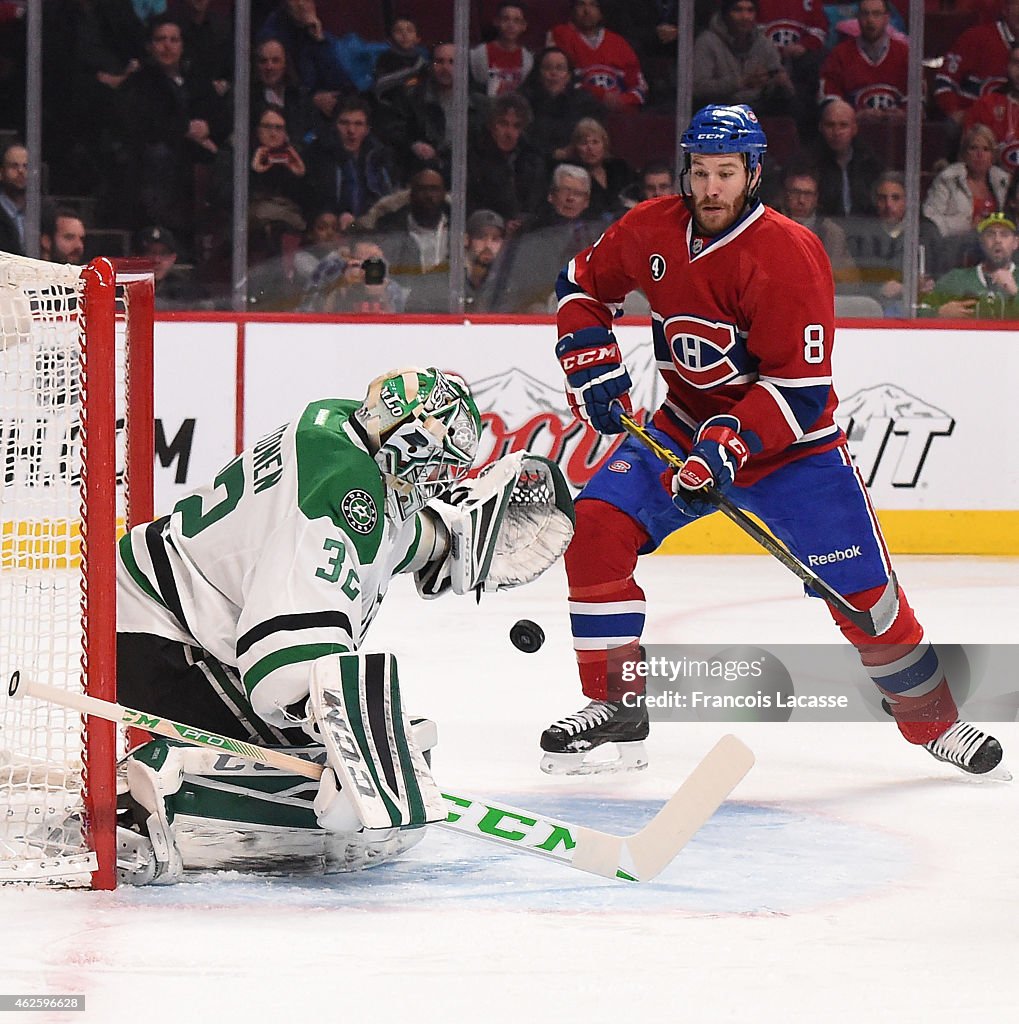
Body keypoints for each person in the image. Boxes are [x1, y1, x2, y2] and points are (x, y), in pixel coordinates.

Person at [540, 103, 1005, 780]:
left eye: (725, 172)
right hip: (680, 426)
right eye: (699, 171)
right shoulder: (649, 228)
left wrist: (726, 444)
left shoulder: (788, 254)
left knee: (864, 597)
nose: (709, 187)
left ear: (752, 174)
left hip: (794, 452)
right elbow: (580, 286)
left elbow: (799, 387)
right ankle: (615, 704)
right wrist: (591, 362)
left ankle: (935, 723)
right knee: (595, 528)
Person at [113, 368, 572, 882]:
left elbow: (383, 529)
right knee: (315, 795)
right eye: (435, 465)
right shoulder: (340, 493)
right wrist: (336, 731)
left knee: (364, 764)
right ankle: (137, 803)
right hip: (166, 633)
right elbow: (284, 660)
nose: (437, 480)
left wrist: (447, 539)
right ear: (409, 443)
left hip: (160, 607)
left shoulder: (339, 429)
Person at [844, 171, 940, 316]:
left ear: (908, 200)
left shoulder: (927, 232)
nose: (889, 205)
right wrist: (877, 289)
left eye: (896, 198)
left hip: (919, 311)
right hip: (872, 310)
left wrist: (932, 284)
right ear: (875, 201)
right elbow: (851, 282)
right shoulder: (860, 234)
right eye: (883, 198)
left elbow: (942, 273)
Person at [305, 96, 399, 232]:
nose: (351, 131)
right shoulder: (318, 154)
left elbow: (391, 196)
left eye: (358, 124)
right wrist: (338, 214)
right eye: (344, 123)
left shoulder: (380, 155)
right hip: (336, 231)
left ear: (367, 129)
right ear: (334, 125)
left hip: (376, 228)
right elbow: (313, 201)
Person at [922, 122, 1010, 268]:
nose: (979, 154)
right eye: (973, 148)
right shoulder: (948, 179)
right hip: (955, 251)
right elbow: (930, 220)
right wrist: (968, 224)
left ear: (993, 156)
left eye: (986, 149)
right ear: (964, 154)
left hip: (996, 253)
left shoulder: (1003, 182)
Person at [692, 0, 794, 117]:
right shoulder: (707, 41)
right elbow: (698, 87)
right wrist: (741, 83)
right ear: (725, 14)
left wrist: (780, 82)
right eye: (738, 10)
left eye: (750, 11)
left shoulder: (763, 43)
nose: (745, 17)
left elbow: (777, 74)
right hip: (718, 109)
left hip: (757, 108)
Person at [466, 93, 548, 233]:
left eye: (516, 126)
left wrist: (526, 221)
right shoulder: (473, 158)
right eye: (503, 124)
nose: (509, 133)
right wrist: (502, 222)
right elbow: (471, 203)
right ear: (491, 125)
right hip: (485, 231)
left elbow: (539, 203)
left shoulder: (533, 159)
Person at [546, 0, 648, 110]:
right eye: (581, 4)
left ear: (601, 12)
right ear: (573, 10)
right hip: (576, 111)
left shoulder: (619, 43)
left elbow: (639, 87)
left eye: (593, 5)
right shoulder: (560, 35)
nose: (587, 11)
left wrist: (623, 100)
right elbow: (557, 81)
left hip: (618, 114)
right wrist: (600, 95)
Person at [934, 0, 1019, 128]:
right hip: (976, 126)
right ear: (1005, 9)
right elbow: (945, 82)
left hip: (1013, 128)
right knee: (952, 128)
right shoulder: (975, 38)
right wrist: (954, 111)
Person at [819, 0, 909, 119]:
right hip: (854, 133)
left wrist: (904, 114)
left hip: (898, 132)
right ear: (858, 17)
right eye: (865, 14)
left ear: (887, 18)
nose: (870, 20)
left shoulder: (905, 53)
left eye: (876, 14)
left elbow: (918, 102)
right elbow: (830, 99)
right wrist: (854, 116)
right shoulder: (839, 54)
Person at [924, 211, 1019, 318]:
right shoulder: (956, 279)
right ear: (981, 241)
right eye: (990, 234)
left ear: (1015, 243)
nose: (997, 240)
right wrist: (939, 313)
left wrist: (1015, 292)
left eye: (1004, 234)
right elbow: (918, 310)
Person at [778, 164, 859, 287]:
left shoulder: (832, 233)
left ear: (816, 197)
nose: (801, 200)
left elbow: (851, 282)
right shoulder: (770, 228)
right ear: (785, 194)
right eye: (795, 192)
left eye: (808, 194)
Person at [804, 98, 885, 218]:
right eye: (830, 125)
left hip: (866, 231)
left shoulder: (871, 164)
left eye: (843, 125)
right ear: (820, 127)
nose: (837, 132)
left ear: (854, 129)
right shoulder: (807, 164)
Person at [521, 46, 601, 165]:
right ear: (538, 74)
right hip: (537, 162)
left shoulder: (584, 102)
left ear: (568, 76)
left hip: (576, 161)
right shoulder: (524, 101)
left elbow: (594, 135)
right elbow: (522, 139)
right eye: (547, 68)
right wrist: (552, 153)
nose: (553, 73)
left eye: (560, 68)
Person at [562, 117, 633, 220]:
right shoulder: (571, 177)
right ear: (575, 147)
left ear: (604, 144)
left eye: (595, 142)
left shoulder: (619, 168)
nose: (590, 148)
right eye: (584, 143)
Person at [964, 41, 1019, 172]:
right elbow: (967, 154)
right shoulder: (986, 105)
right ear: (1008, 66)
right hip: (991, 181)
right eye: (1016, 63)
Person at [134, 224, 212, 310]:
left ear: (173, 258)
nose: (157, 260)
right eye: (151, 253)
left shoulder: (189, 292)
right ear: (138, 257)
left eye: (163, 254)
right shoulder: (123, 289)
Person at [469, 2, 534, 98]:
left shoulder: (528, 59)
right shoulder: (480, 54)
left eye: (516, 21)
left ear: (523, 26)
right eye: (506, 19)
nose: (511, 25)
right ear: (496, 22)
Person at [0, 141, 27, 255]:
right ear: (1, 172)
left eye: (26, 166)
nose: (21, 171)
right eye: (14, 166)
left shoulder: (44, 213)